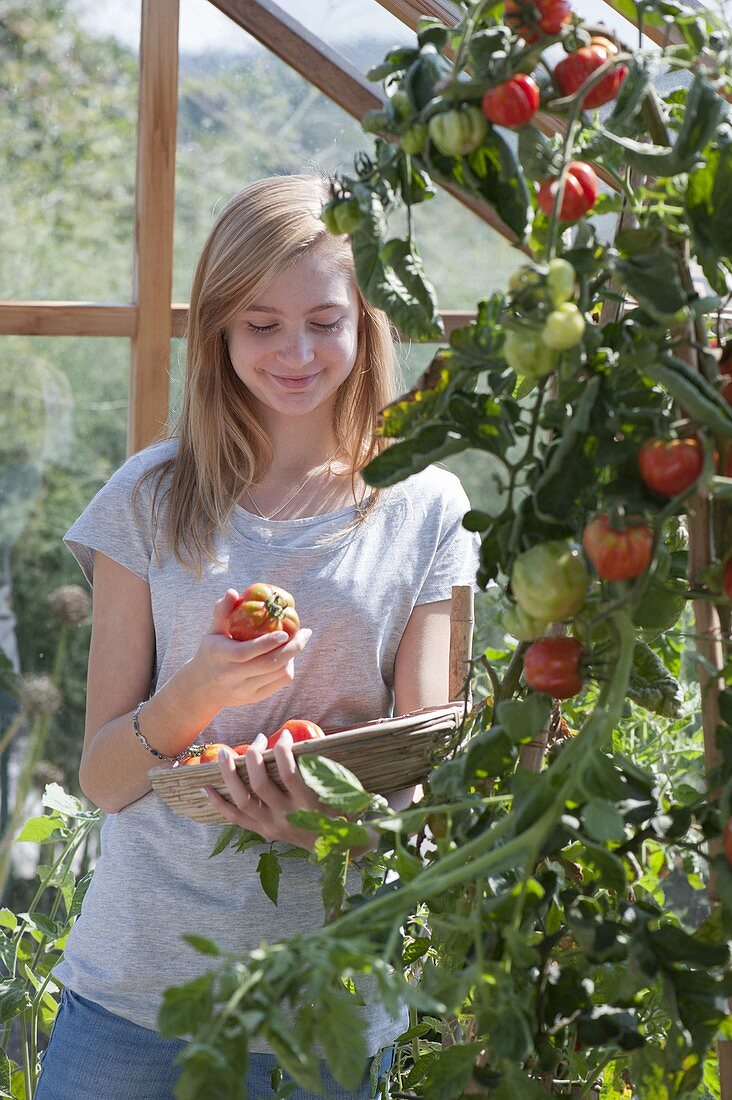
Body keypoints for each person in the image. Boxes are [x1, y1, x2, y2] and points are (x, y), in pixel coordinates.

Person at [34, 173, 479, 1100]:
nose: (295, 351)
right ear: (223, 333)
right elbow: (106, 778)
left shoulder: (425, 506)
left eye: (323, 319)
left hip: (326, 1012)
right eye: (261, 323)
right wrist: (199, 691)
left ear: (366, 321)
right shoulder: (150, 500)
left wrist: (338, 823)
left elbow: (422, 779)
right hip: (135, 1008)